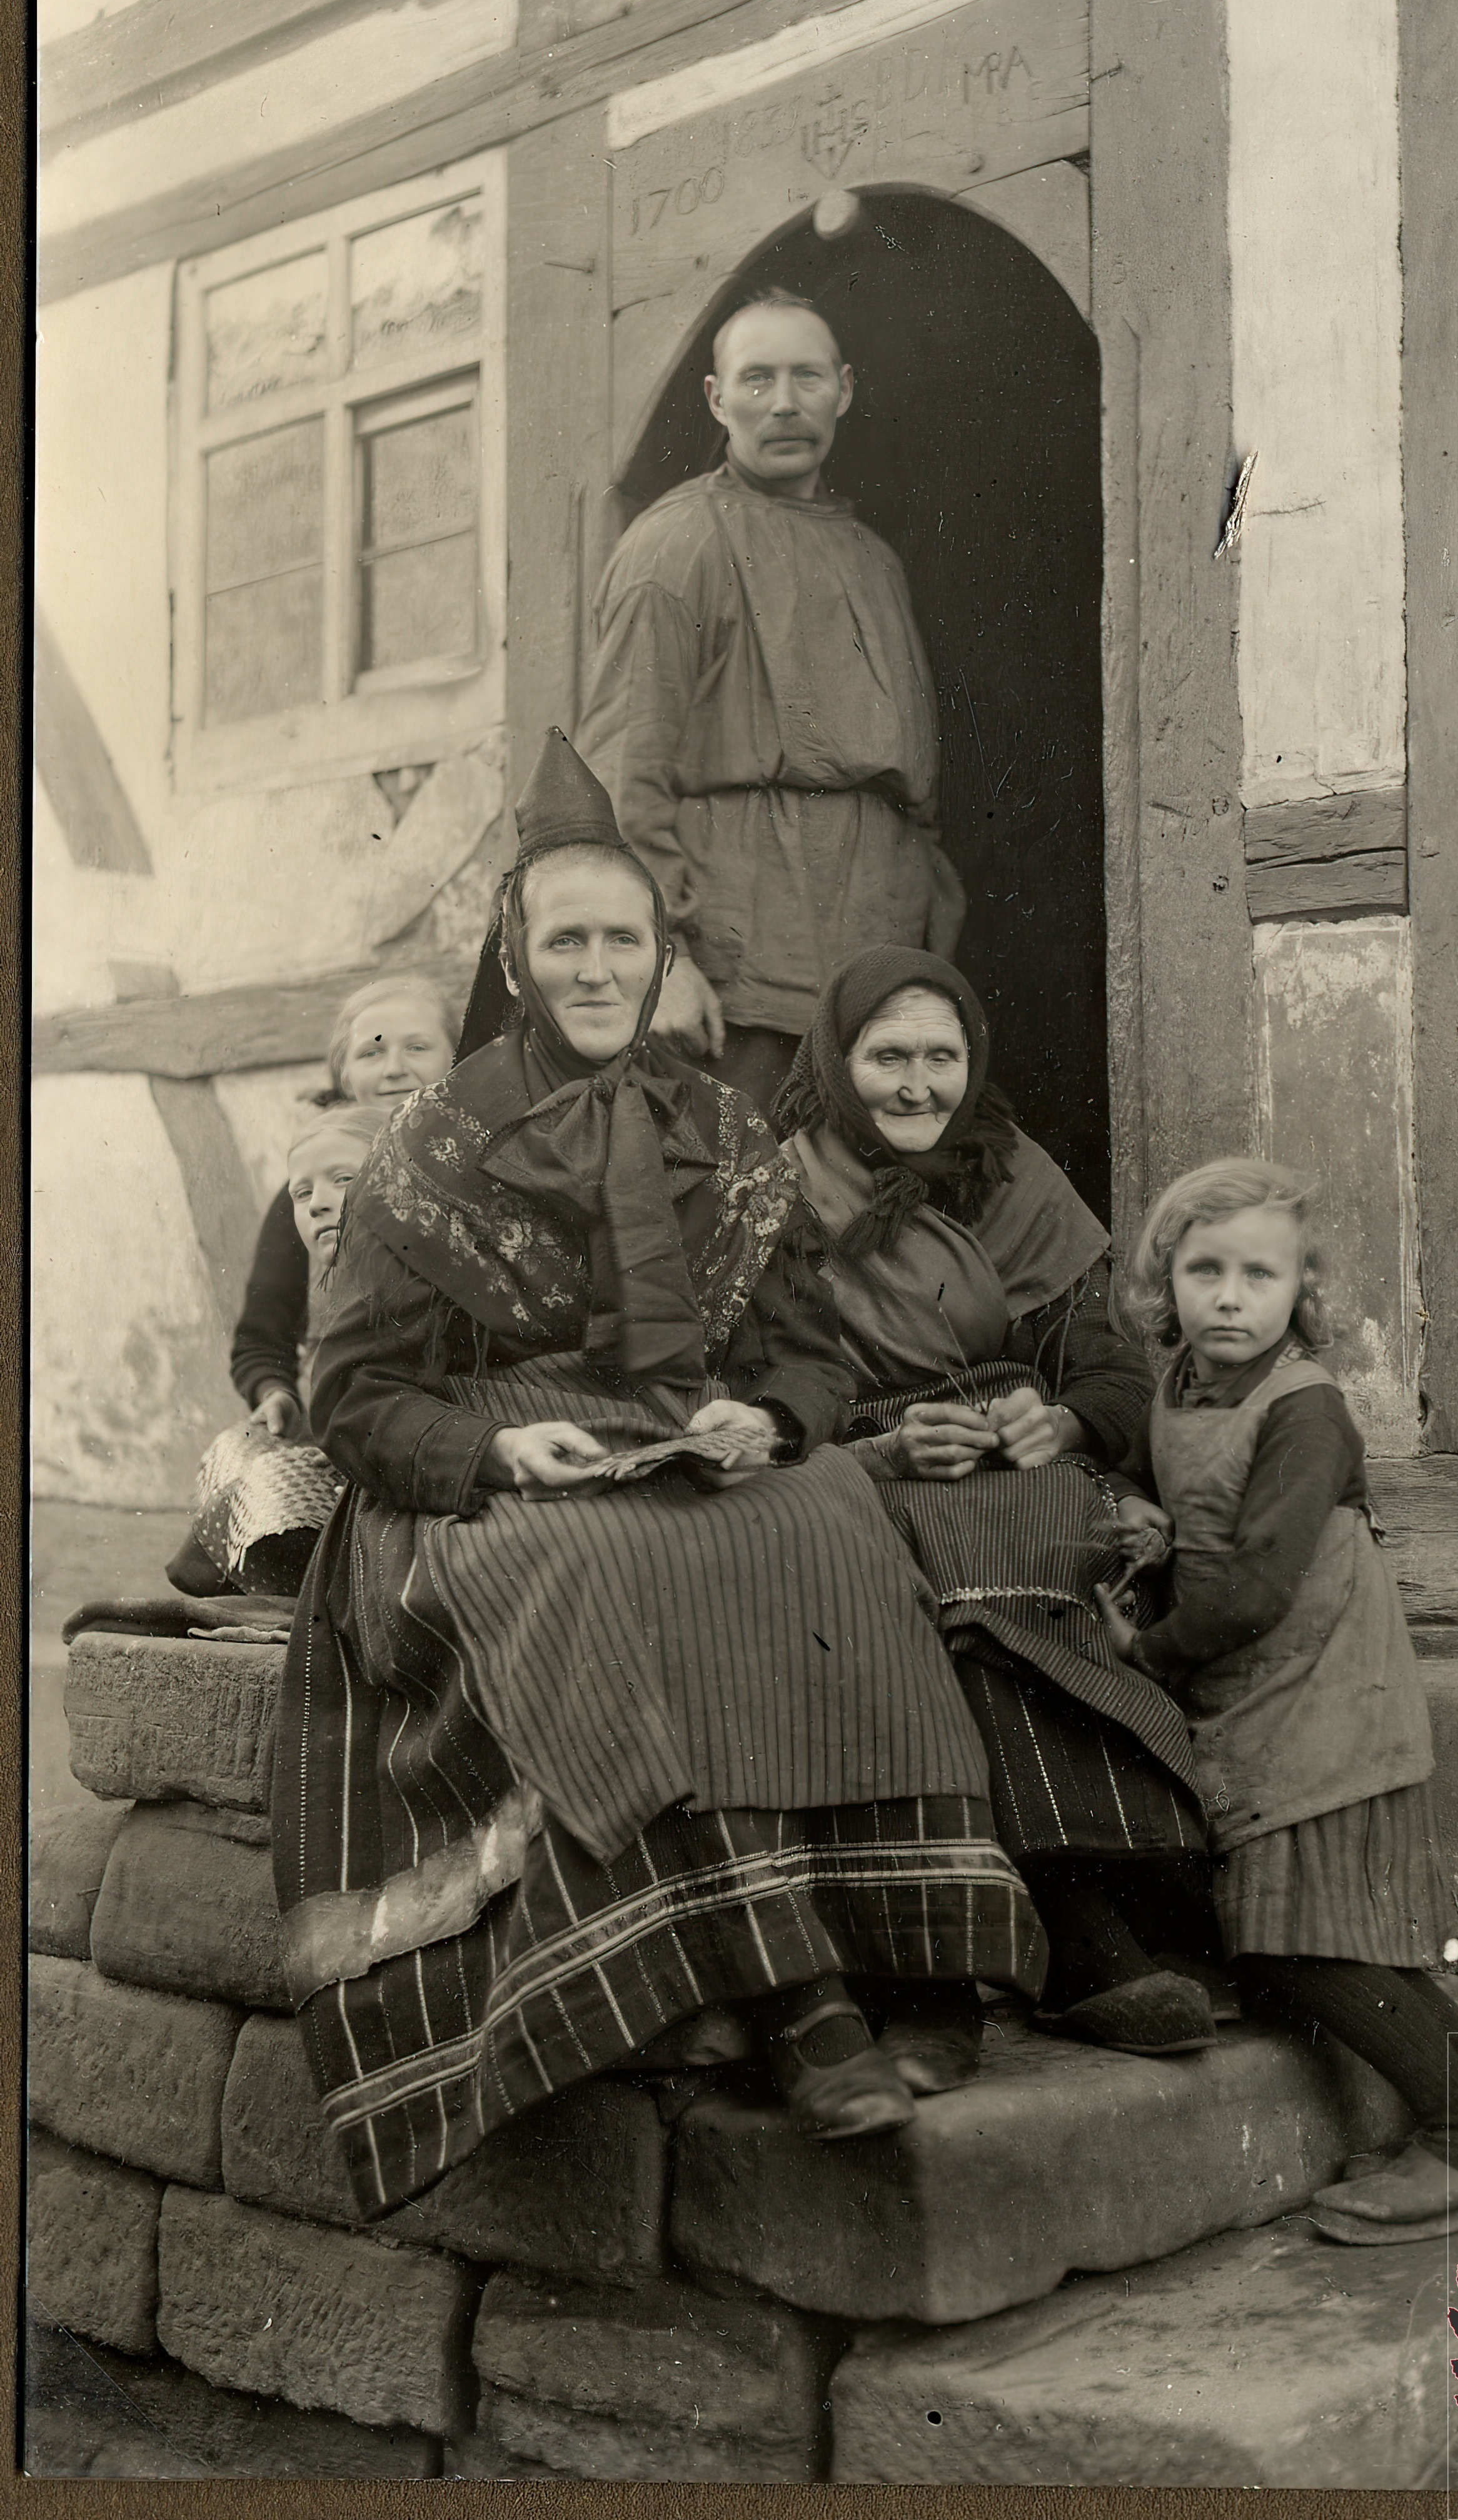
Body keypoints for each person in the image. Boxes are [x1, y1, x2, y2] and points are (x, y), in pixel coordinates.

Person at [270, 731, 1045, 2216]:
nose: (595, 965)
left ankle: (921, 1955)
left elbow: (808, 1352)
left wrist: (775, 1421)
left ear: (658, 953)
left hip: (683, 1434)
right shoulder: (430, 1143)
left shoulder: (724, 1127)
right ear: (517, 956)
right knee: (608, 1558)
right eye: (565, 939)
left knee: (830, 1514)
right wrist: (498, 1445)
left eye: (620, 938)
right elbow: (352, 1396)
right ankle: (797, 1996)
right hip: (475, 1477)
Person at [773, 946, 1220, 2059]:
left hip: (1021, 1461)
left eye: (942, 1056)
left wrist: (1060, 1424)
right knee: (946, 1562)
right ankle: (1077, 1940)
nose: (916, 1085)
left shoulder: (1018, 1180)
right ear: (835, 1062)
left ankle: (1140, 1900)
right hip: (874, 1471)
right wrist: (876, 1449)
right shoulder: (775, 1196)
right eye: (887, 1057)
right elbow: (749, 1394)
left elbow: (1114, 1375)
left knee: (1077, 1532)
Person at [1097, 1158, 1458, 2241]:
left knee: (1293, 1943)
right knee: (1320, 1930)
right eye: (1203, 1271)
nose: (1228, 1297)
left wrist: (1148, 1650)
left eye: (1258, 1275)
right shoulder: (1179, 1389)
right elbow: (1180, 1489)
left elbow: (1257, 1583)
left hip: (1326, 1691)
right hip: (1260, 1693)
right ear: (1165, 1284)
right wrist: (1144, 1516)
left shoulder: (1305, 1410)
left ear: (1300, 1289)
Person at [578, 287, 963, 1112]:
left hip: (877, 971)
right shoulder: (675, 544)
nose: (784, 403)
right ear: (716, 398)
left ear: (843, 390)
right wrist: (664, 961)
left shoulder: (874, 559)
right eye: (756, 380)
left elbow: (919, 792)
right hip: (741, 983)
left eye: (806, 377)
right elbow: (619, 779)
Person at [165, 972, 460, 1593]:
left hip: (432, 1426)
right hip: (334, 1430)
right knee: (245, 1471)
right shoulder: (308, 1194)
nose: (395, 1067)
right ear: (342, 1074)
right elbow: (261, 1335)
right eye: (371, 1051)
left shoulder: (475, 1180)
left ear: (456, 1061)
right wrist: (275, 1391)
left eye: (417, 1047)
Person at [171, 1104, 393, 1595]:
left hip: (391, 1463)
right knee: (239, 1452)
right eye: (302, 1193)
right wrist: (279, 1395)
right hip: (331, 1448)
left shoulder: (417, 1290)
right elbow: (261, 1339)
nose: (317, 1203)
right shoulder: (332, 1280)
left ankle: (298, 1592)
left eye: (344, 1180)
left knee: (279, 1493)